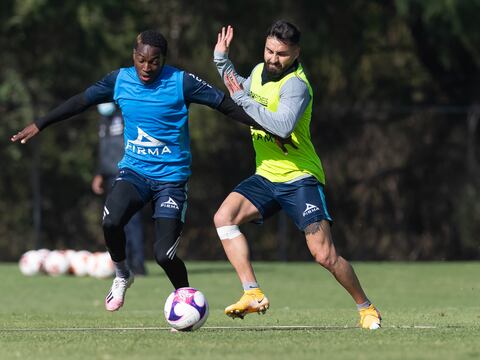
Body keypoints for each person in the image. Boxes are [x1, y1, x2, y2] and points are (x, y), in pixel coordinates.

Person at [11, 29, 264, 313]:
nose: (146, 67)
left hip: (171, 181)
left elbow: (225, 105)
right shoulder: (119, 80)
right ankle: (122, 274)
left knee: (164, 256)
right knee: (110, 222)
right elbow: (81, 101)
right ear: (134, 56)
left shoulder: (182, 82)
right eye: (141, 60)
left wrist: (268, 127)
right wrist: (40, 123)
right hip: (135, 172)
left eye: (154, 61)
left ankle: (187, 303)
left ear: (163, 60)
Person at [212, 21, 382, 329]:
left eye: (282, 54)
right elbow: (240, 87)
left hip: (300, 178)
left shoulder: (296, 85)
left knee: (324, 256)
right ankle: (252, 293)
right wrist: (222, 61)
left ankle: (366, 307)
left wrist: (242, 100)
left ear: (296, 53)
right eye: (269, 50)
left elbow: (281, 126)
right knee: (224, 218)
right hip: (266, 176)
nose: (274, 59)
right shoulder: (259, 72)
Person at [92, 102, 146, 276]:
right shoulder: (103, 120)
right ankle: (123, 264)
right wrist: (100, 173)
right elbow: (104, 150)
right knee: (114, 221)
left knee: (132, 221)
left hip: (127, 173)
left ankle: (138, 265)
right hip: (109, 175)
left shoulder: (125, 116)